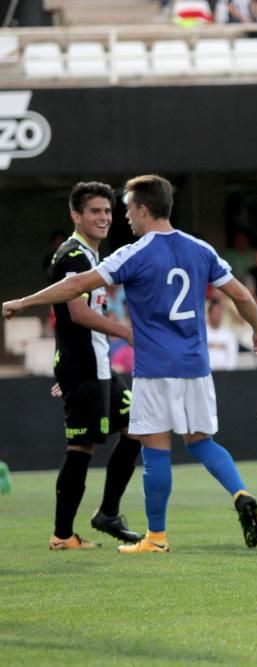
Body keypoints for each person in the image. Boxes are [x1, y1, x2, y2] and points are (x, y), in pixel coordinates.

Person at [4, 175, 257, 554]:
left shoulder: (136, 253)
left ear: (143, 209)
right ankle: (240, 492)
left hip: (156, 368)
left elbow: (74, 287)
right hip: (196, 366)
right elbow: (241, 295)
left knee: (156, 449)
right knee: (201, 443)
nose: (124, 216)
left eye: (126, 208)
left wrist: (24, 301)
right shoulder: (201, 249)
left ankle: (156, 538)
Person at [40, 182, 143, 550]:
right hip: (83, 368)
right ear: (76, 216)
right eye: (95, 211)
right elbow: (77, 312)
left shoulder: (91, 256)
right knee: (81, 448)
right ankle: (63, 535)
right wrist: (125, 332)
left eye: (108, 211)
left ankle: (108, 513)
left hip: (96, 367)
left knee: (137, 426)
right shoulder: (73, 256)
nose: (104, 217)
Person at [206, 299, 239, 371]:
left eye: (219, 313)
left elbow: (232, 356)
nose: (218, 316)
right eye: (215, 313)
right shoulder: (202, 333)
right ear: (209, 314)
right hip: (207, 374)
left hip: (225, 374)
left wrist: (227, 372)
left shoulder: (229, 334)